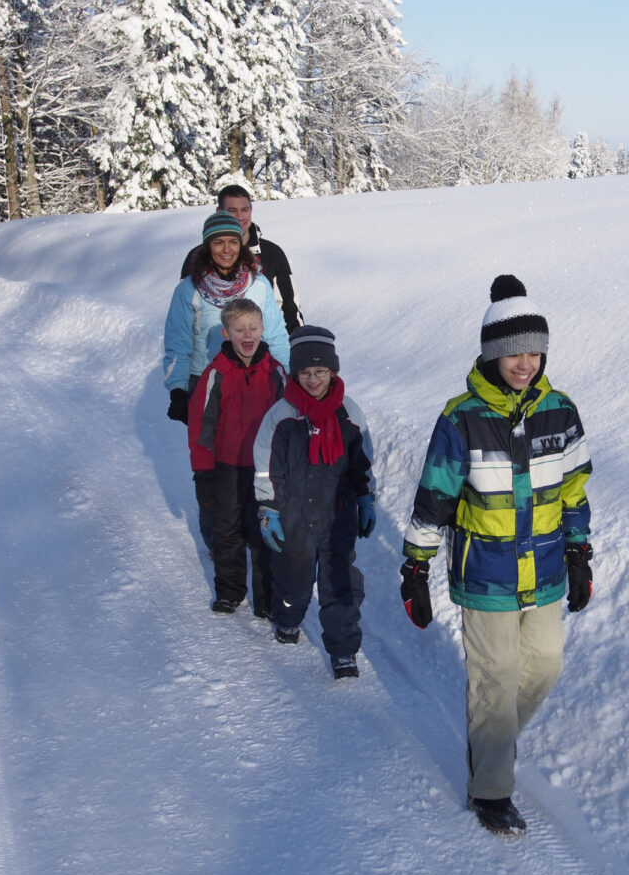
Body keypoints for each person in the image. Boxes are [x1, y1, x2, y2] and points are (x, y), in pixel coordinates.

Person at [398, 274, 594, 836]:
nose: (525, 363)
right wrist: (416, 564)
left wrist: (580, 553)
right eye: (513, 353)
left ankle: (492, 741)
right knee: (496, 675)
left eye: (534, 351)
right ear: (492, 354)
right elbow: (434, 497)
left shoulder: (561, 411)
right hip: (485, 575)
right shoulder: (461, 418)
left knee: (545, 665)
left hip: (548, 569)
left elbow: (575, 488)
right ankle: (490, 790)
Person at [253, 326, 376, 680]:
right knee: (294, 578)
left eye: (320, 372)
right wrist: (267, 509)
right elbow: (266, 467)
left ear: (333, 372)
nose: (313, 380)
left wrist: (366, 498)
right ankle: (288, 620)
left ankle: (343, 651)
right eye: (305, 373)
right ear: (295, 374)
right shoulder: (282, 415)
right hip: (292, 515)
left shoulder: (349, 413)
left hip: (338, 516)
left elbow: (362, 463)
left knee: (340, 583)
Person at [164, 210, 291, 548]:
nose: (225, 249)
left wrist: (287, 381)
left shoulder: (258, 284)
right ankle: (219, 535)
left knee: (257, 457)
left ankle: (255, 526)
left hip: (257, 380)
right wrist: (177, 389)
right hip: (207, 385)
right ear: (207, 246)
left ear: (241, 244)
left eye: (232, 242)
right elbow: (178, 343)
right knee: (214, 462)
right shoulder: (188, 290)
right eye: (218, 242)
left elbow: (276, 335)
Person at [187, 298, 286, 617]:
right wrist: (203, 474)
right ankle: (230, 591)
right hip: (226, 468)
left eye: (253, 328)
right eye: (239, 329)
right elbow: (201, 427)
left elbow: (288, 423)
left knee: (263, 532)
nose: (247, 335)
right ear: (227, 333)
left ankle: (267, 599)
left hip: (264, 470)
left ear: (262, 330)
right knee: (227, 529)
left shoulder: (275, 372)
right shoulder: (216, 373)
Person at [181, 184, 304, 338]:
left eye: (244, 210)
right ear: (219, 212)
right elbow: (184, 315)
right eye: (232, 210)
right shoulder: (198, 257)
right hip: (211, 352)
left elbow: (290, 308)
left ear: (251, 210)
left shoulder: (271, 253)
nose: (240, 216)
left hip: (264, 351)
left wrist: (298, 344)